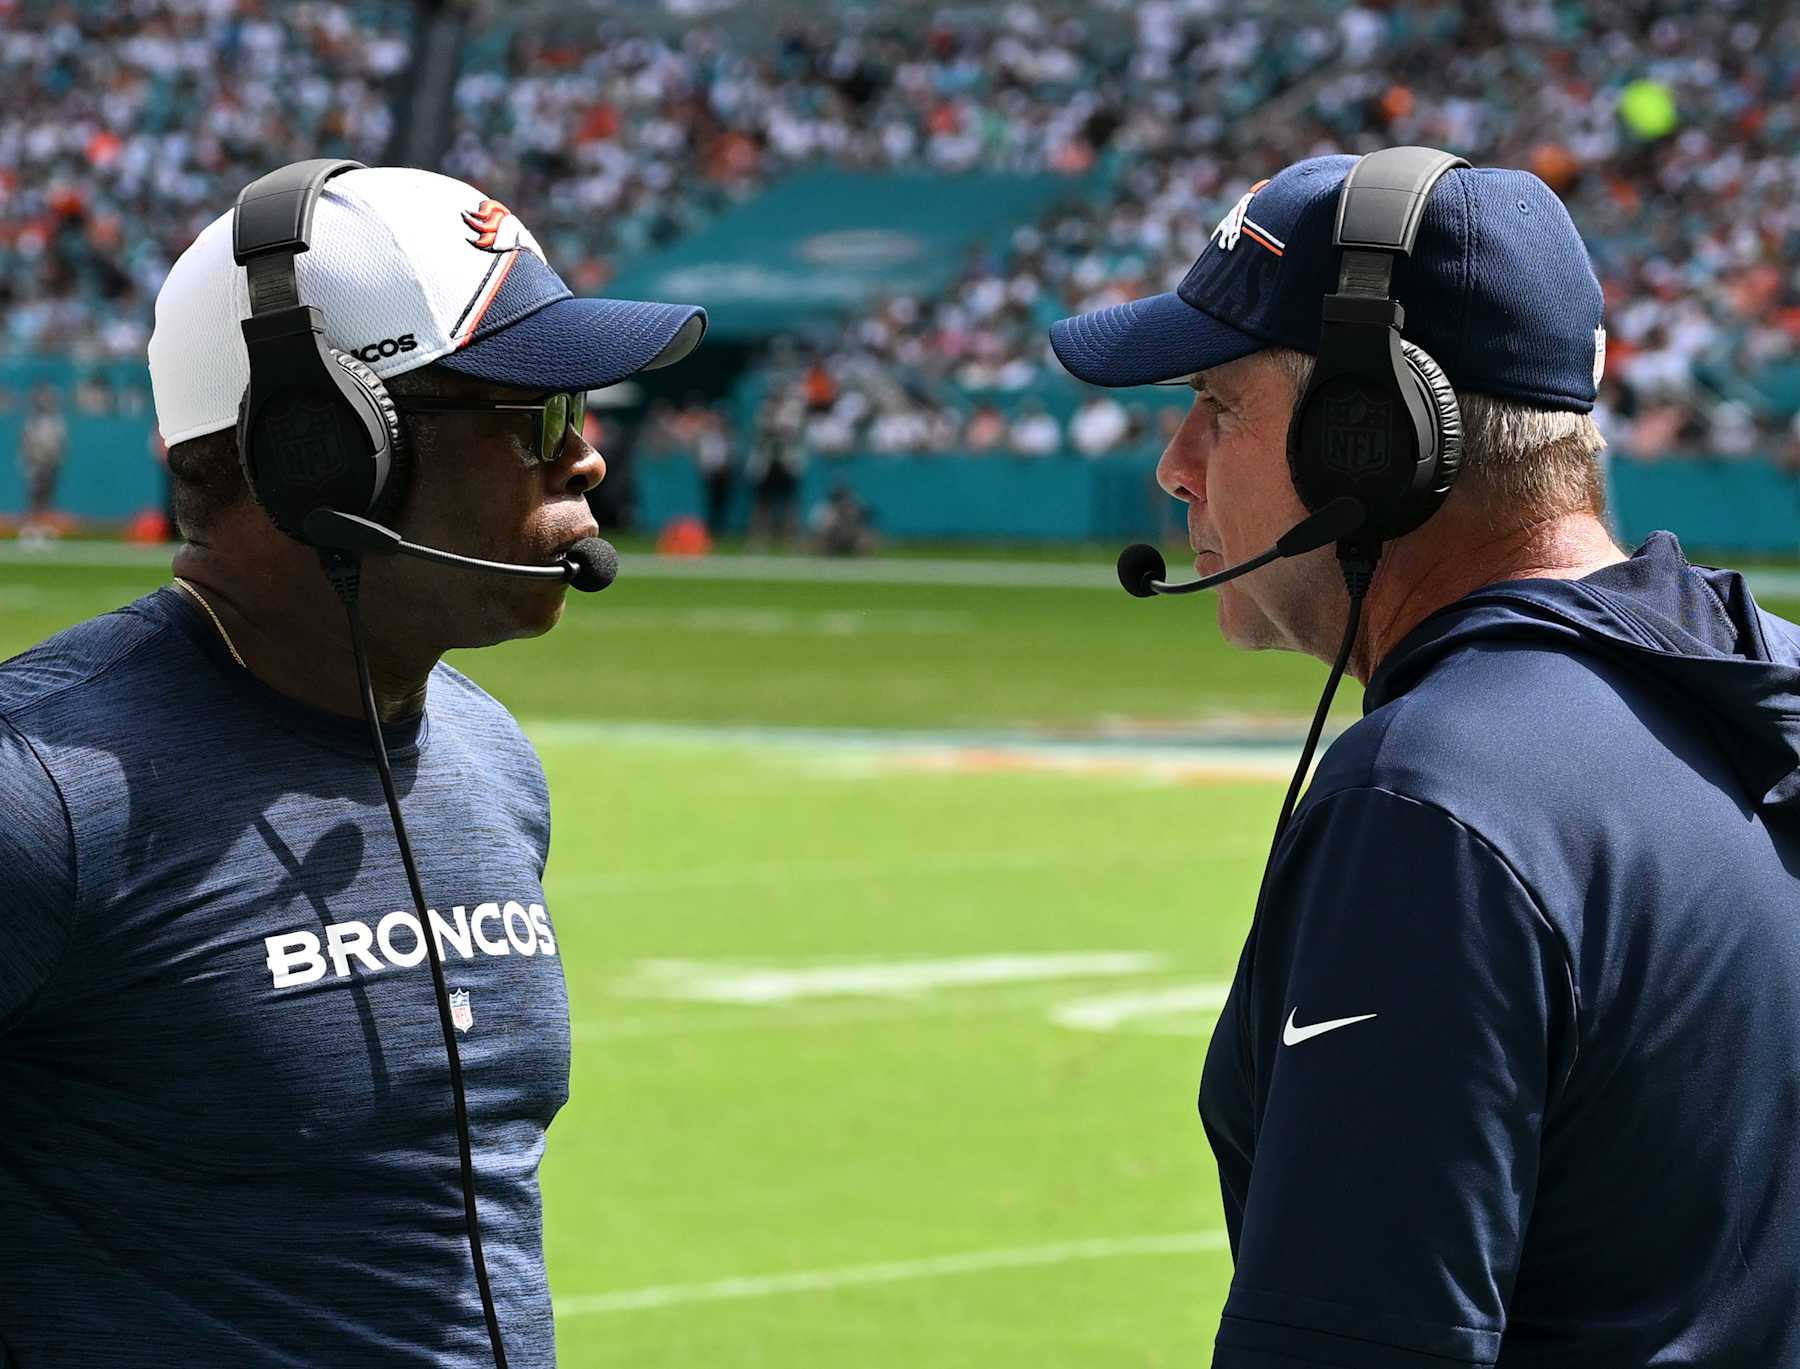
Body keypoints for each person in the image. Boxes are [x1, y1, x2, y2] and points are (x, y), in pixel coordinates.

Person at [1051, 150, 1800, 1366]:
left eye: (1219, 405)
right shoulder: (1763, 681)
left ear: (1370, 438)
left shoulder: (1433, 805)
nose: (1175, 465)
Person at [0, 164, 705, 1367]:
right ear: (326, 449)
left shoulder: (486, 755)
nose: (585, 455)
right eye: (536, 411)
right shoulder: (40, 793)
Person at [18, 384, 68, 546]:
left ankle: (45, 529)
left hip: (50, 464)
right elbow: (26, 444)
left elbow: (61, 444)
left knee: (48, 498)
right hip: (36, 464)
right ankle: (30, 529)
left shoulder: (57, 422)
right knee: (34, 498)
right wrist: (29, 462)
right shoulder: (32, 422)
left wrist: (56, 459)